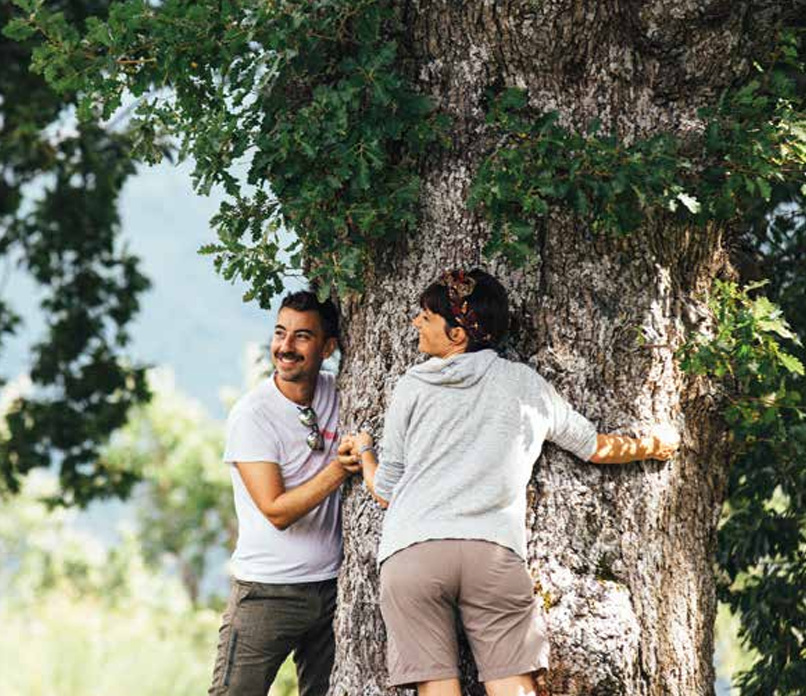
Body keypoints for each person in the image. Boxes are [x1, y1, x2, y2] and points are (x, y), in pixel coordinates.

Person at [339, 269, 679, 696]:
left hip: (414, 552)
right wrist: (653, 445)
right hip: (491, 554)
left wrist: (366, 452)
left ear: (458, 334)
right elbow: (593, 446)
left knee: (436, 689)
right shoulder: (524, 385)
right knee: (512, 688)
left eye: (426, 317)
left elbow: (385, 492)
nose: (415, 324)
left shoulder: (412, 386)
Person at [209, 291, 359, 696]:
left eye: (302, 336)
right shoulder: (252, 416)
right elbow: (275, 511)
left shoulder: (342, 393)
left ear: (328, 347)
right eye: (280, 333)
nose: (285, 347)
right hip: (267, 593)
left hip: (333, 589)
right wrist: (339, 471)